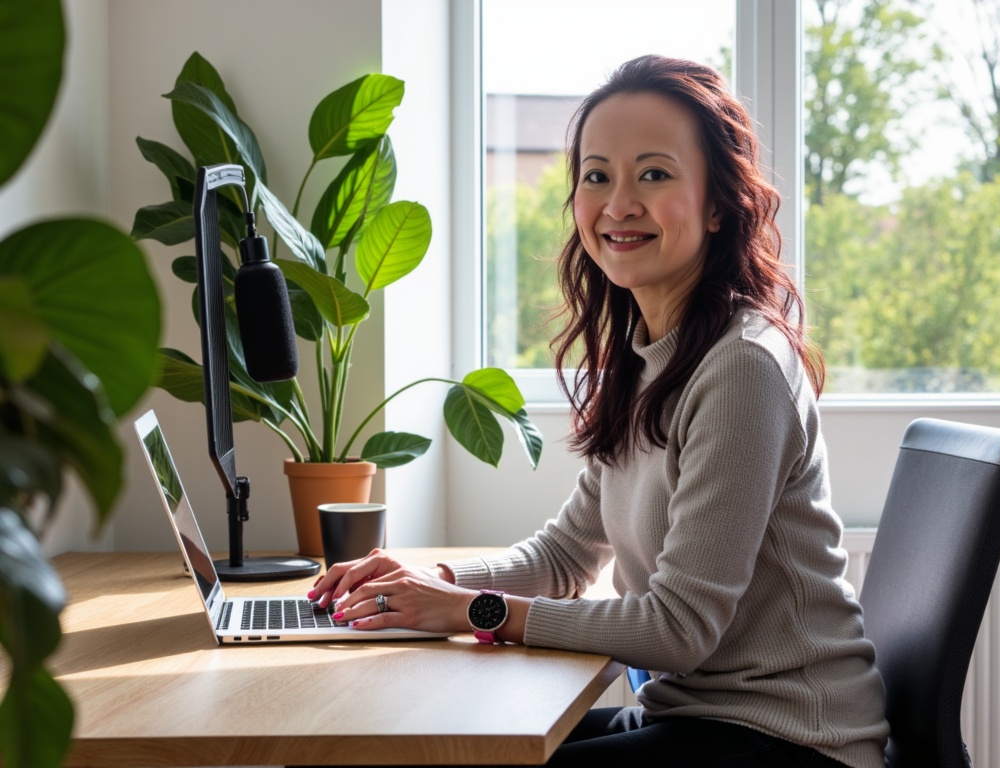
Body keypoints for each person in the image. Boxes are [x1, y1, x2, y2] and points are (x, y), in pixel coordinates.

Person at [307, 55, 889, 768]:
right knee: (403, 749)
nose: (619, 204)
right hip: (697, 718)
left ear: (717, 205)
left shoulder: (742, 367)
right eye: (596, 176)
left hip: (793, 739)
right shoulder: (649, 357)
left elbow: (678, 628)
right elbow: (564, 555)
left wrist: (468, 612)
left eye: (654, 174)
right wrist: (437, 582)